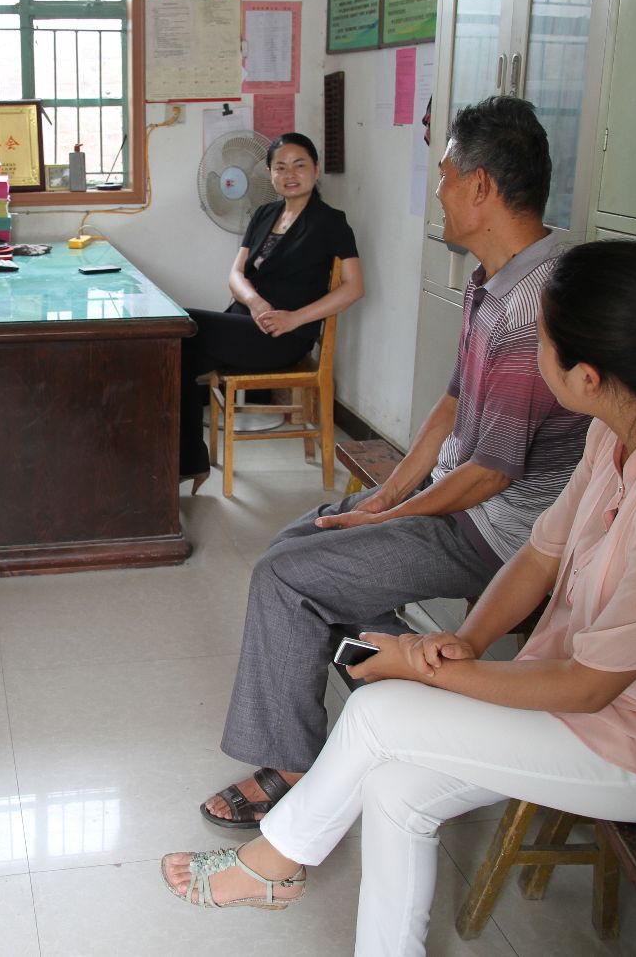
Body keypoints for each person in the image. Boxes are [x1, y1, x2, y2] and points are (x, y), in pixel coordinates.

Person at [162, 240, 636, 956]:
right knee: (394, 788)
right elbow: (540, 554)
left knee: (379, 714)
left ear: (588, 376)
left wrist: (424, 669)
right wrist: (466, 643)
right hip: (599, 703)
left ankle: (273, 866)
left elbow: (589, 687)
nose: (536, 355)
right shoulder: (618, 434)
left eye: (544, 344)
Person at [200, 97, 589, 829]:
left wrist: (394, 512)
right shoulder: (492, 278)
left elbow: (494, 473)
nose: (437, 191)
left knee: (288, 576)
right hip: (459, 499)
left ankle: (295, 763)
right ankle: (399, 704)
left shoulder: (533, 303)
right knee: (297, 543)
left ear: (481, 186)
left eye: (445, 174)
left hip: (497, 534)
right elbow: (451, 404)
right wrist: (383, 500)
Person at [180, 132, 365, 493]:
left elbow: (354, 287)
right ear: (269, 173)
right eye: (280, 167)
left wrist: (295, 318)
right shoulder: (264, 213)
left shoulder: (331, 222)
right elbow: (236, 275)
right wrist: (255, 302)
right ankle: (188, 463)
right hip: (245, 322)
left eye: (299, 165)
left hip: (283, 336)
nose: (290, 174)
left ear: (316, 169)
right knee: (177, 357)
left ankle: (187, 462)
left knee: (183, 323)